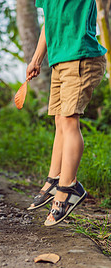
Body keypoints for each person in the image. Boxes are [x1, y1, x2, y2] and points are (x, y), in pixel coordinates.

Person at [25, 0, 107, 226]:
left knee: (70, 121)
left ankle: (68, 187)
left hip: (81, 57)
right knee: (60, 122)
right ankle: (54, 179)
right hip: (60, 61)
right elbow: (48, 23)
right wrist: (36, 59)